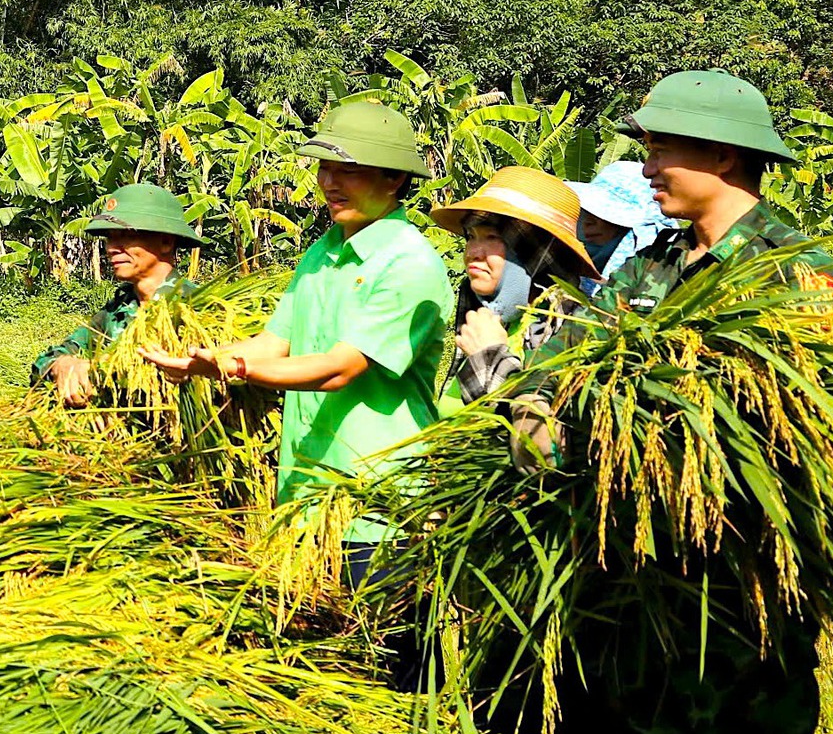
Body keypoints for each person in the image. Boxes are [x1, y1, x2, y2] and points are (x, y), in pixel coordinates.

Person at [509, 71, 833, 734]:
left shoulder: (797, 271)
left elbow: (795, 423)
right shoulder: (652, 259)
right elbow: (574, 349)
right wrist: (536, 396)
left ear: (724, 158)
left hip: (742, 579)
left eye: (663, 148)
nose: (649, 165)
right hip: (642, 569)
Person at [140, 101, 451, 585]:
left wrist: (235, 370)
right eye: (325, 168)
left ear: (393, 180)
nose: (329, 182)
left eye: (347, 169)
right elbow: (275, 342)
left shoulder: (409, 262)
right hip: (305, 494)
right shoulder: (321, 252)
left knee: (388, 655)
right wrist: (206, 360)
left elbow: (338, 369)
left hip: (379, 503)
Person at [430, 166, 597, 411]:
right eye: (471, 237)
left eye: (492, 238)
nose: (472, 252)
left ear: (531, 252)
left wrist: (488, 356)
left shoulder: (565, 331)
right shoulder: (491, 319)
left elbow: (535, 428)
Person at [31, 183, 206, 404]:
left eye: (126, 236)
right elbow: (54, 355)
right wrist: (63, 365)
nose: (112, 248)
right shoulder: (117, 309)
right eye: (110, 238)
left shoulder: (197, 308)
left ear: (166, 242)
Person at [567, 160, 673, 287]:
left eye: (605, 214)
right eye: (588, 211)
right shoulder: (566, 256)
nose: (588, 222)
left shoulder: (650, 275)